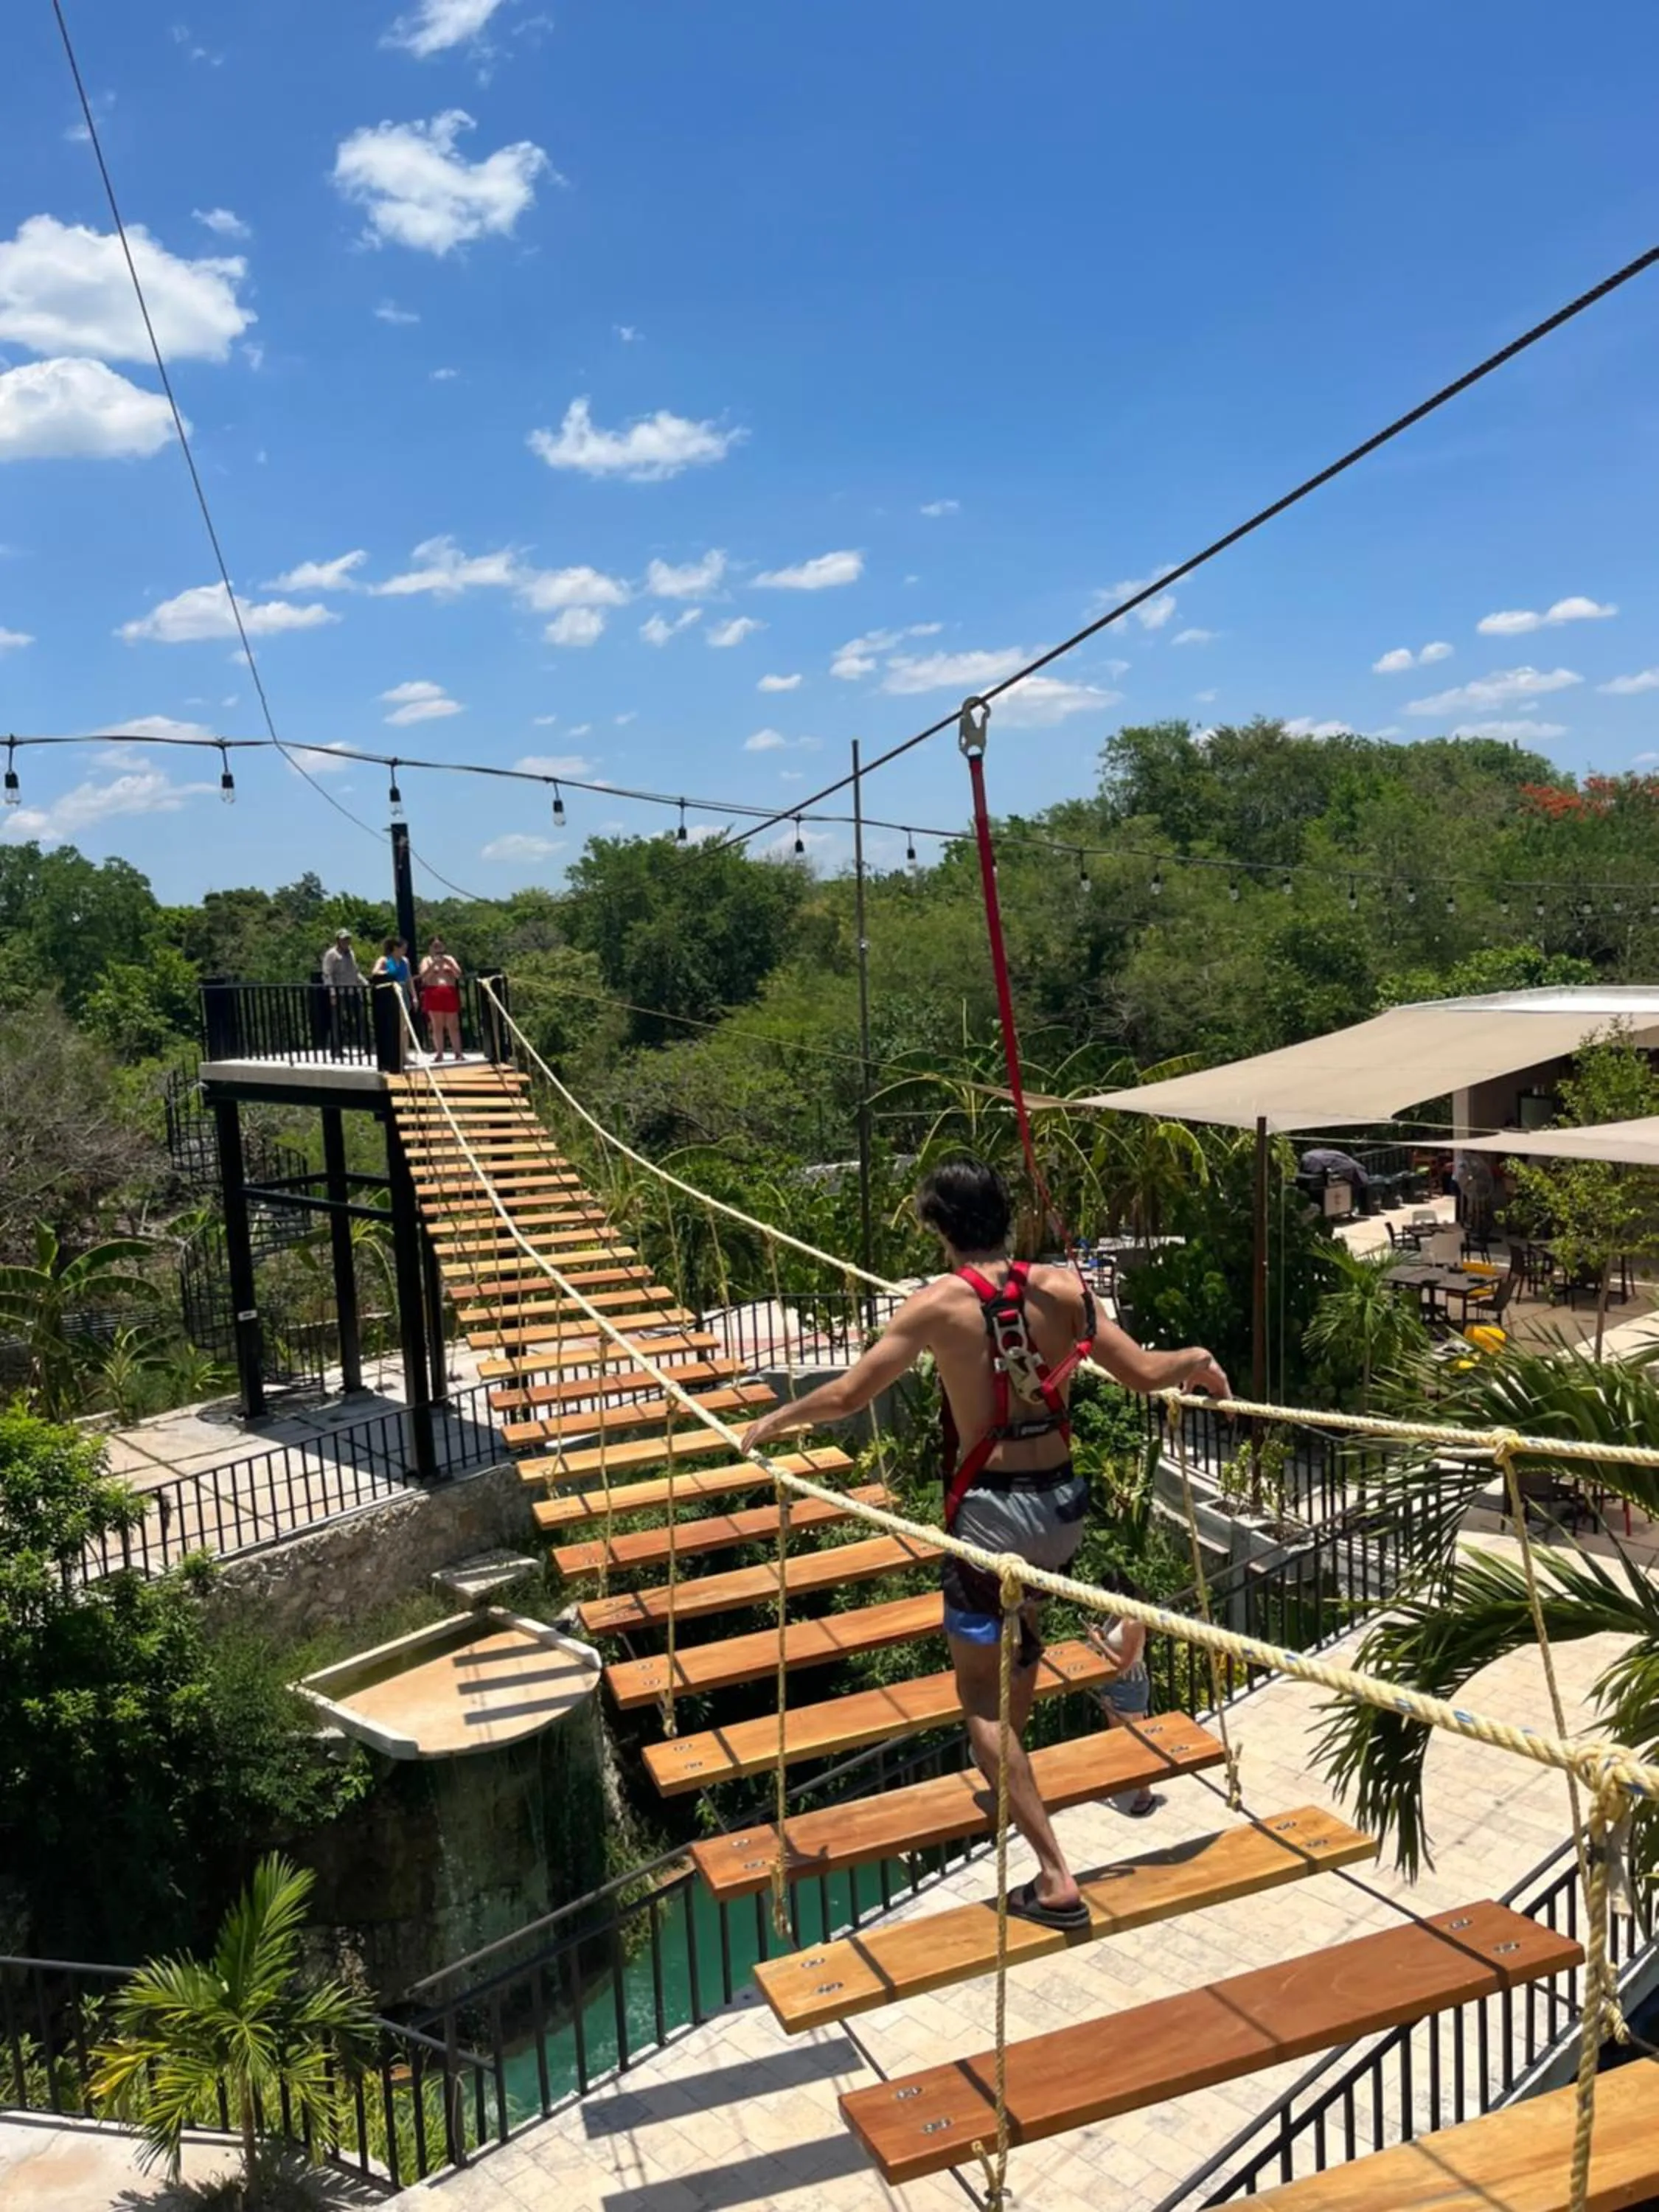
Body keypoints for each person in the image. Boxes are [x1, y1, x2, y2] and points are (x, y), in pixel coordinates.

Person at [744, 1156, 1228, 1930]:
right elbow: (1143, 1373)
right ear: (1007, 1217)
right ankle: (1019, 1779)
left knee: (979, 1703)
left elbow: (849, 1394)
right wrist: (1197, 1362)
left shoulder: (937, 1307)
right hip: (1062, 1510)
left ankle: (1054, 1874)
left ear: (940, 1228)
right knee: (1018, 1666)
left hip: (993, 1522)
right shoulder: (1065, 1291)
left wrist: (771, 1422)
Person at [418, 935, 463, 1061]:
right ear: (430, 948)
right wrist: (434, 966)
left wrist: (448, 964)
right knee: (437, 1025)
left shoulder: (449, 959)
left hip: (449, 990)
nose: (438, 949)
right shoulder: (426, 960)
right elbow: (424, 977)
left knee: (453, 1025)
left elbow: (458, 974)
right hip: (434, 991)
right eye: (435, 946)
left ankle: (458, 1052)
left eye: (440, 946)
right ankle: (439, 1053)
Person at [319, 929, 362, 1058]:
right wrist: (332, 992)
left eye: (348, 939)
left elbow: (355, 972)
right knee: (337, 1022)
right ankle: (335, 1049)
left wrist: (365, 984)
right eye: (344, 939)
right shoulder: (331, 954)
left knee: (360, 1018)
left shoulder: (351, 953)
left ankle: (364, 1045)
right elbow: (327, 974)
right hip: (339, 992)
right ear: (338, 940)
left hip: (353, 991)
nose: (347, 942)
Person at [370, 937, 413, 1066]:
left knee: (405, 1028)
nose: (404, 951)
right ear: (395, 948)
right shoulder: (384, 960)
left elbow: (409, 979)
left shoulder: (405, 961)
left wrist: (414, 996)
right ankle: (396, 1055)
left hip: (403, 991)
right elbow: (375, 972)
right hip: (391, 993)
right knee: (395, 1026)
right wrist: (387, 973)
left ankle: (405, 1055)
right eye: (402, 948)